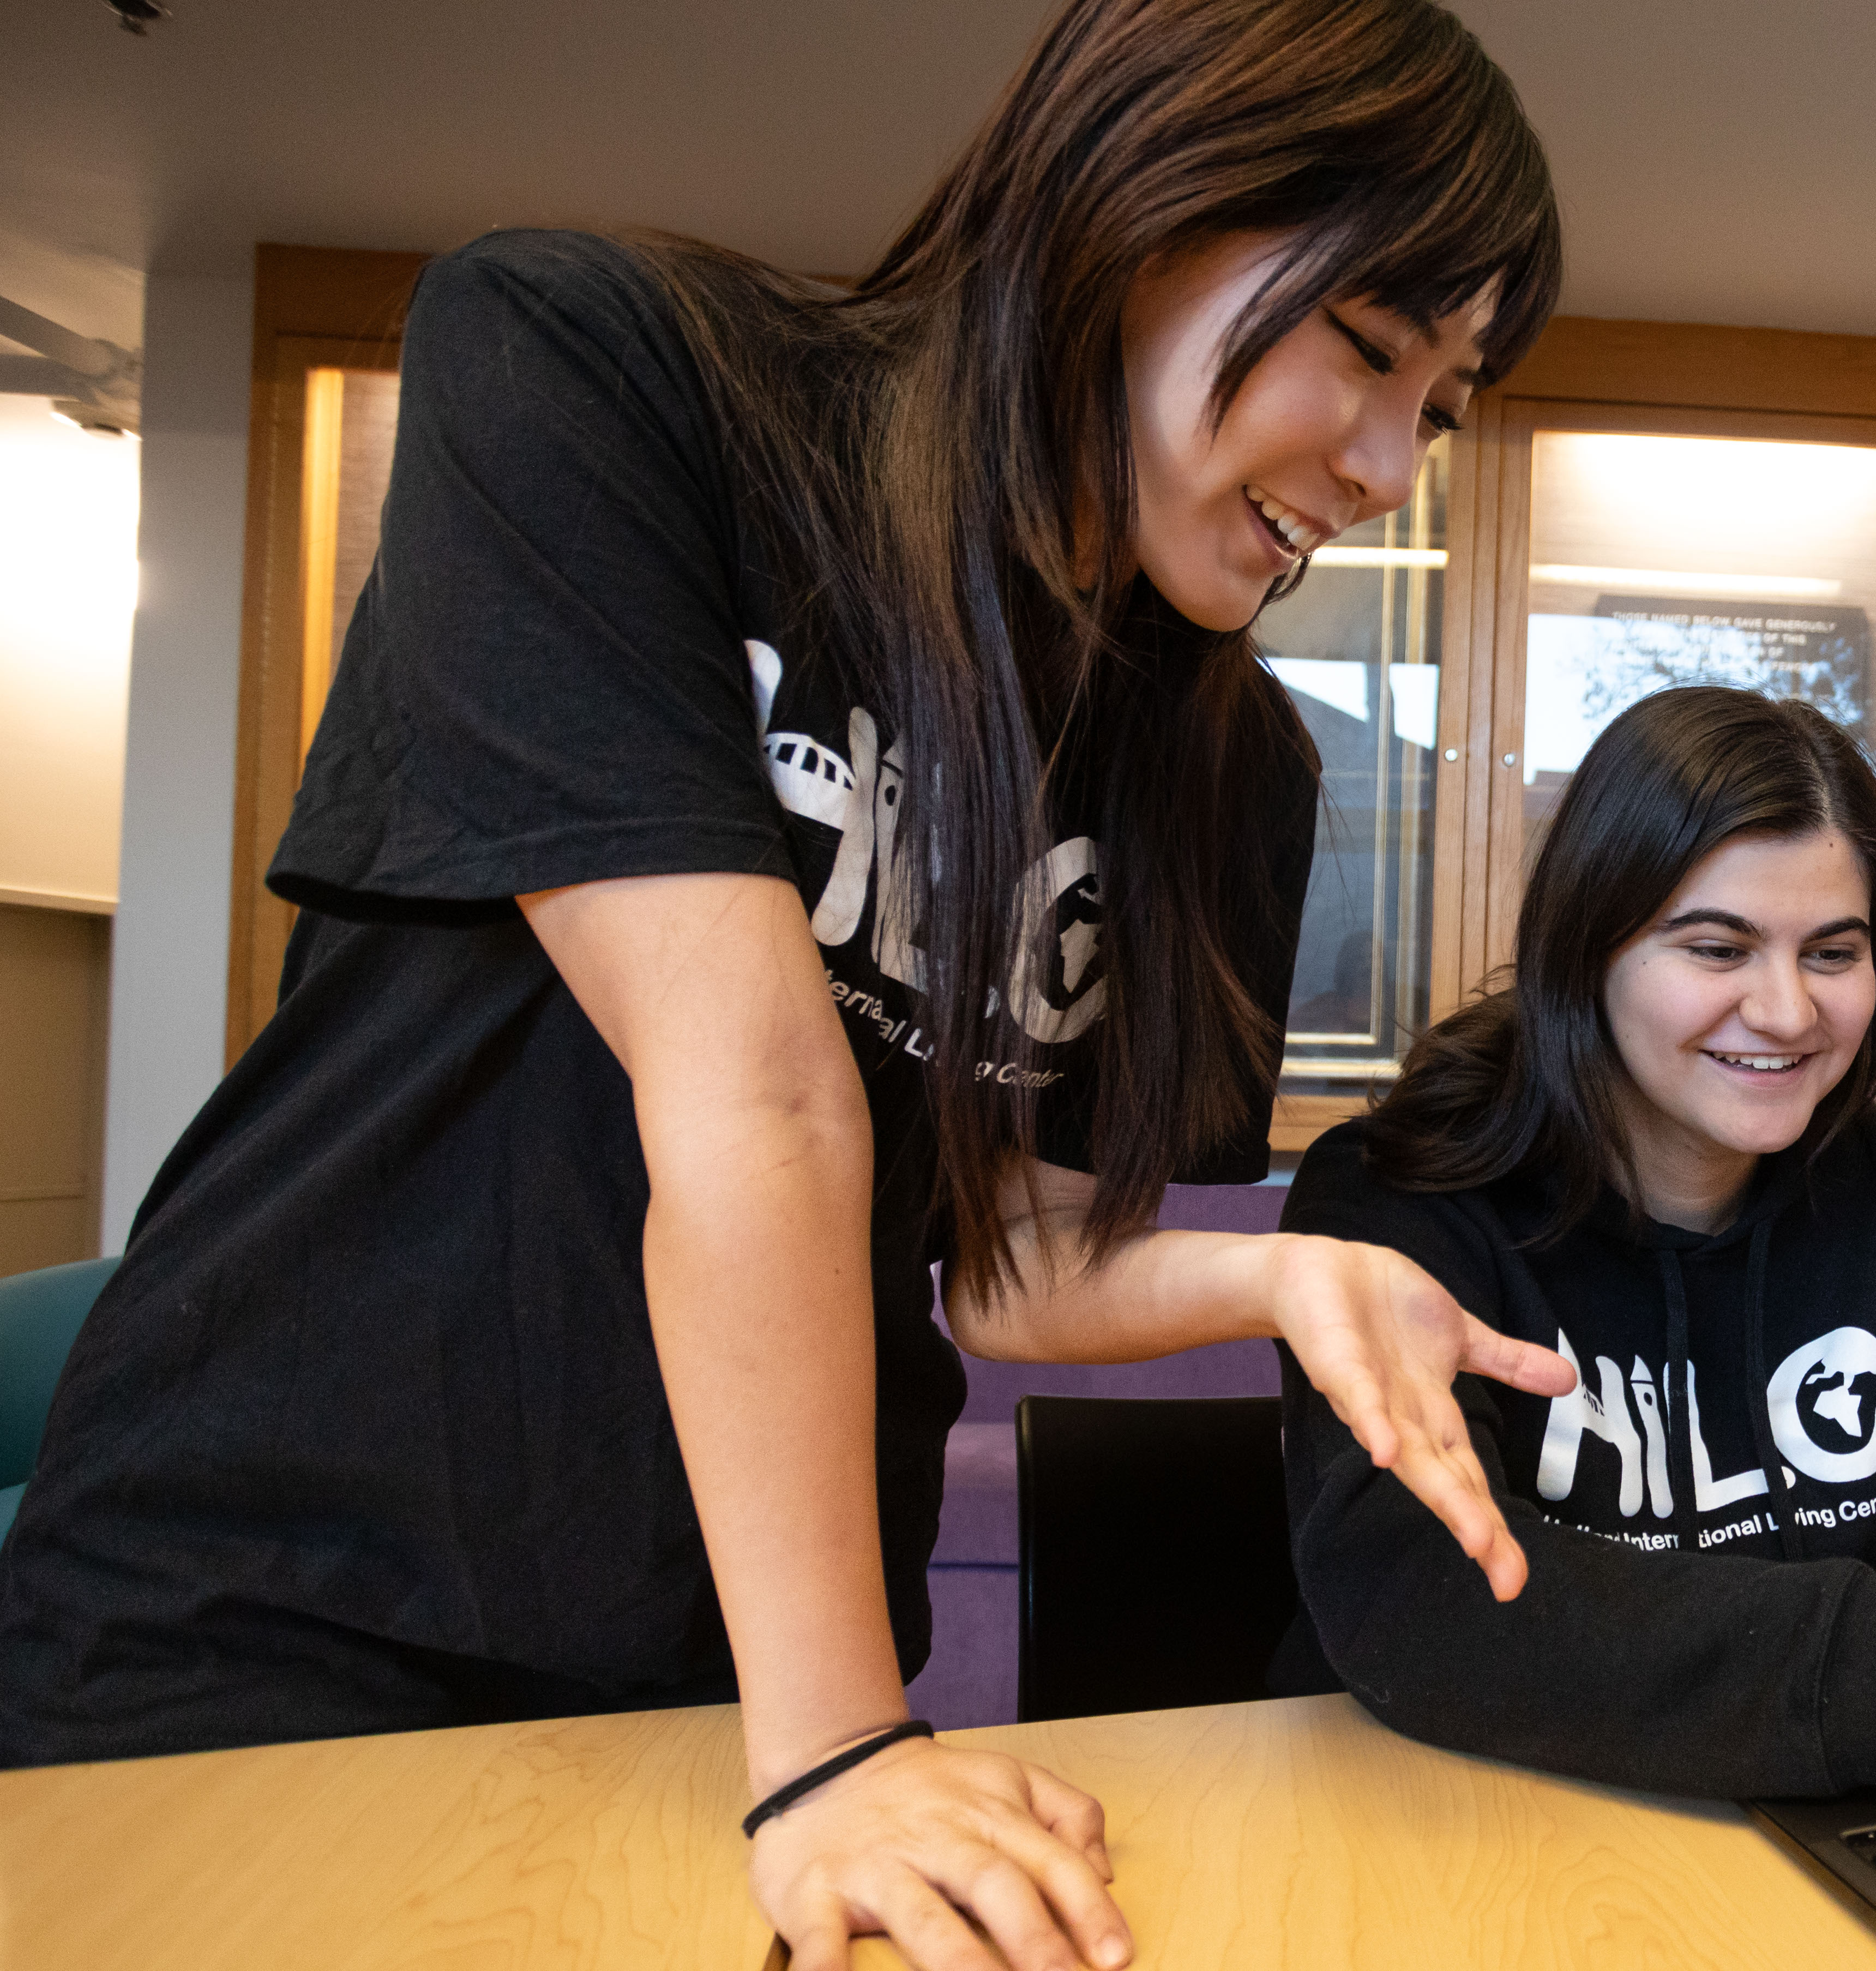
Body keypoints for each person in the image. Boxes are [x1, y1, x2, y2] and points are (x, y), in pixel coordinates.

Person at [0, 3, 1572, 1966]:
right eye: (1363, 347)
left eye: (1442, 401)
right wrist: (840, 1741)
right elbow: (752, 1090)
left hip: (726, 1658)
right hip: (285, 1601)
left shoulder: (1233, 770)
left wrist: (1274, 1271)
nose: (1383, 465)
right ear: (1144, 194)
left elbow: (1012, 1248)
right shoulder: (601, 372)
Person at [1270, 688, 1876, 1799]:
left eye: (1833, 953)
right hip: (1444, 1821)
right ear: (1584, 948)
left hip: (1776, 1842)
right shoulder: (1393, 1201)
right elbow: (1428, 1605)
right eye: (1717, 947)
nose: (1788, 1011)